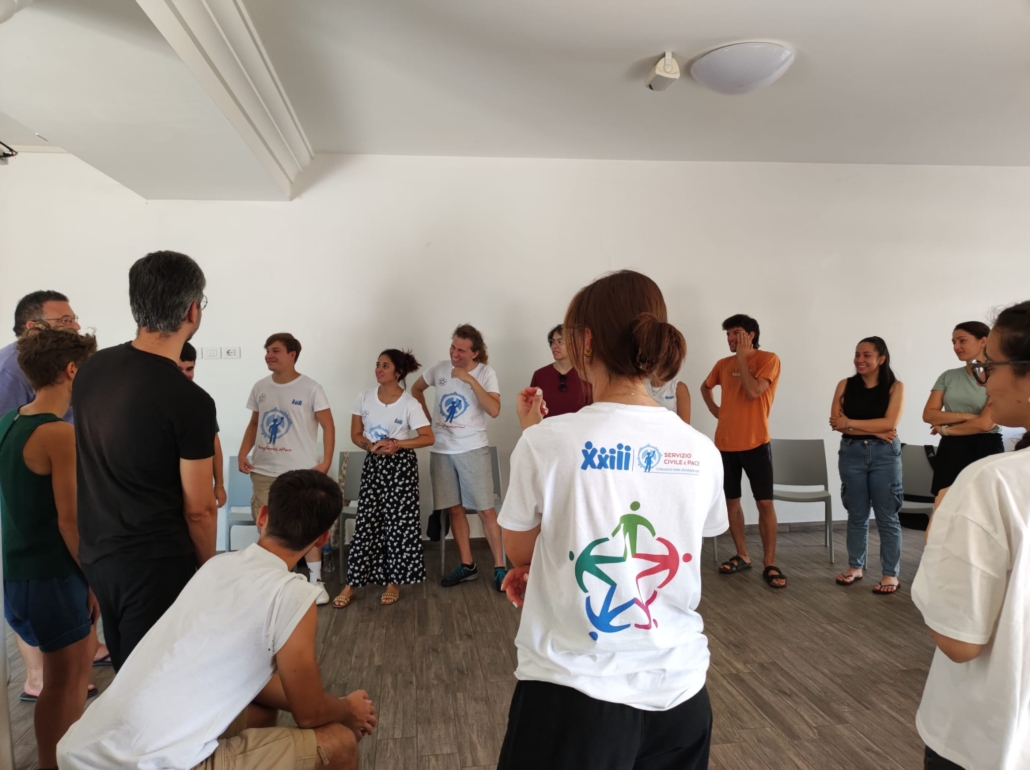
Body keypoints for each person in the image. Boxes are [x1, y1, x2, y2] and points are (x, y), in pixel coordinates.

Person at [497, 270, 727, 770]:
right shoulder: (700, 450)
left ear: (585, 342)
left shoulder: (545, 442)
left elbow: (518, 550)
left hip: (574, 695)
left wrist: (542, 567)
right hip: (682, 694)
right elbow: (688, 539)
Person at [57, 469, 376, 770]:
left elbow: (253, 680)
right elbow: (310, 713)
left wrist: (332, 704)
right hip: (149, 764)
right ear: (322, 538)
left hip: (82, 751)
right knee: (340, 742)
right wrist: (348, 709)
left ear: (262, 516)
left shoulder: (218, 566)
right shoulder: (291, 593)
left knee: (259, 711)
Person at [73, 250, 218, 670]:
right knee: (156, 683)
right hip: (155, 563)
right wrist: (208, 573)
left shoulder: (92, 369)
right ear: (192, 310)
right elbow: (200, 508)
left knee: (129, 672)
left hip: (99, 553)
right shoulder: (190, 399)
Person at [912, 301, 1030, 769]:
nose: (985, 381)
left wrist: (942, 533)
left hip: (989, 735)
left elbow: (959, 641)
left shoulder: (992, 483)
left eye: (990, 366)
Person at [0, 291, 110, 697]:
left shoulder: (11, 422)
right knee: (66, 688)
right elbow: (69, 520)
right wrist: (95, 578)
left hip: (21, 571)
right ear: (71, 370)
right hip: (54, 573)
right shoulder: (57, 433)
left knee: (65, 682)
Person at [238, 333, 335, 605]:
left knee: (307, 524)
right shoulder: (260, 387)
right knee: (268, 527)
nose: (269, 355)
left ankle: (316, 582)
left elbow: (328, 425)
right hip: (264, 471)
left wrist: (326, 462)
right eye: (267, 350)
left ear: (292, 354)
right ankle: (275, 582)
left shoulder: (311, 388)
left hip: (300, 473)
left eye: (276, 350)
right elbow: (254, 424)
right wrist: (244, 452)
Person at [334, 350, 434, 608]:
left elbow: (428, 437)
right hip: (374, 465)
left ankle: (393, 582)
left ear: (398, 372)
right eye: (378, 364)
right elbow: (356, 433)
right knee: (366, 522)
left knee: (398, 525)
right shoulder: (364, 397)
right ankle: (351, 584)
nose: (378, 369)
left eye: (385, 365)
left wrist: (397, 444)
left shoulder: (410, 403)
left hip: (401, 468)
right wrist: (371, 447)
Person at [412, 324, 506, 591]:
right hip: (441, 450)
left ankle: (500, 568)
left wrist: (470, 380)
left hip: (472, 449)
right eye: (453, 347)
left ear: (475, 353)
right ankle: (467, 565)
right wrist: (426, 424)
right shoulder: (439, 368)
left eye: (461, 350)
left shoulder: (486, 373)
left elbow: (494, 410)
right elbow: (416, 390)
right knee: (454, 508)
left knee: (486, 510)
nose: (454, 353)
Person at [700, 314, 786, 588]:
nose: (730, 338)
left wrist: (742, 359)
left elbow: (752, 391)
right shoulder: (722, 364)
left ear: (750, 335)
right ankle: (743, 555)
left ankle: (769, 562)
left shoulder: (768, 359)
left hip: (756, 442)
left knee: (765, 503)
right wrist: (716, 410)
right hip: (725, 444)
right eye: (727, 334)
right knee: (731, 502)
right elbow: (705, 386)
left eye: (735, 333)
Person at [828, 337, 905, 594]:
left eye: (866, 355)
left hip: (885, 454)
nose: (860, 360)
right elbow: (836, 423)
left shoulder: (895, 387)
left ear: (881, 359)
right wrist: (876, 428)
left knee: (887, 516)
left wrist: (852, 423)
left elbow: (890, 424)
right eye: (857, 354)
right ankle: (855, 567)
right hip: (851, 453)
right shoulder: (845, 385)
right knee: (857, 514)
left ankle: (890, 574)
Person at [922, 322, 1003, 501]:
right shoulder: (948, 376)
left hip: (985, 447)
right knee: (944, 502)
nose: (956, 347)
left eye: (962, 340)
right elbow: (928, 414)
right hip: (951, 449)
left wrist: (945, 429)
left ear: (983, 341)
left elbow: (985, 424)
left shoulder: (999, 375)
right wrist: (968, 417)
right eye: (954, 342)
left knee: (983, 503)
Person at [179, 342, 227, 509]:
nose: (185, 375)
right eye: (178, 369)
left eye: (189, 369)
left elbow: (214, 441)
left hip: (196, 485)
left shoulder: (201, 401)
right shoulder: (150, 399)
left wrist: (219, 484)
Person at [529, 324, 591, 417]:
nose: (554, 346)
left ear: (573, 344)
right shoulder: (540, 375)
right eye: (552, 342)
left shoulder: (587, 375)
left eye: (560, 341)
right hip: (545, 426)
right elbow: (532, 411)